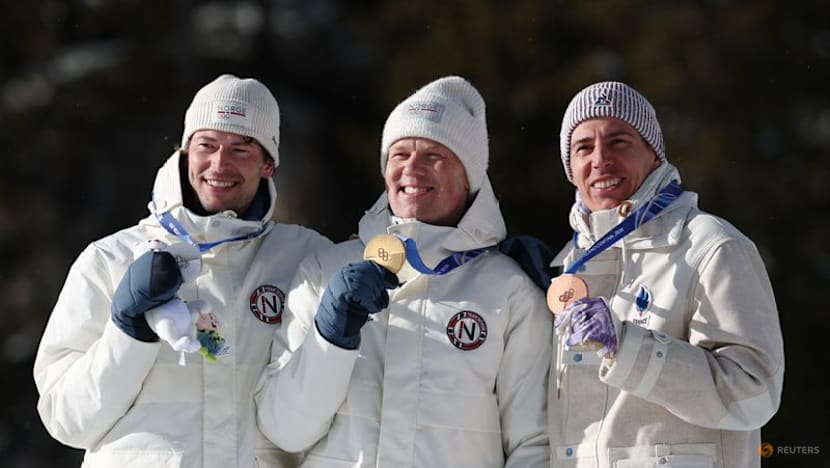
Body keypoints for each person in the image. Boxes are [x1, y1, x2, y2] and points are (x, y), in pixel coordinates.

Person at [33, 74, 332, 468]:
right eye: (206, 145)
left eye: (241, 149)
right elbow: (66, 419)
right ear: (185, 152)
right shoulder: (109, 259)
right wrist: (128, 332)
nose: (219, 163)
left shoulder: (305, 260)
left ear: (268, 165)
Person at [255, 76, 552, 467]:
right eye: (399, 155)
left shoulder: (508, 289)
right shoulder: (326, 270)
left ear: (469, 176)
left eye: (434, 155)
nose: (412, 168)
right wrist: (328, 340)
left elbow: (533, 445)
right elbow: (284, 431)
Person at [547, 81, 784, 467]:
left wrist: (628, 347)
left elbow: (754, 393)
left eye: (619, 141)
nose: (600, 159)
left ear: (654, 155)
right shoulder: (566, 267)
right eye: (583, 147)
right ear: (570, 169)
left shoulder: (712, 246)